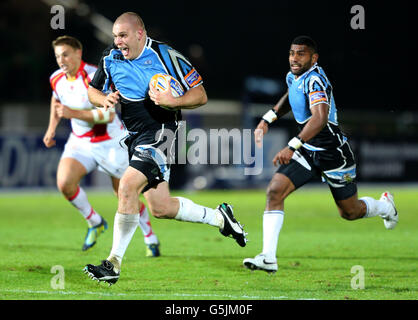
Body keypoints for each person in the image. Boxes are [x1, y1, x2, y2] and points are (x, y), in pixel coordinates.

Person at [84, 12, 247, 285]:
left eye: (123, 35)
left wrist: (174, 101)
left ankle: (113, 263)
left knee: (126, 187)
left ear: (139, 34)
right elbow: (92, 91)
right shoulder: (110, 57)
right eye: (115, 36)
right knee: (161, 208)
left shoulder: (165, 55)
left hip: (164, 134)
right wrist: (104, 99)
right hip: (135, 137)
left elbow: (201, 94)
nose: (118, 41)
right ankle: (221, 218)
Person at [243, 35, 398, 273]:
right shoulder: (294, 75)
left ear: (313, 58)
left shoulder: (316, 80)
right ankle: (268, 257)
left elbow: (320, 118)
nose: (294, 58)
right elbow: (291, 95)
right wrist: (268, 118)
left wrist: (292, 145)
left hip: (333, 153)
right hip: (308, 150)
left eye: (301, 53)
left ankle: (385, 207)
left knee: (350, 212)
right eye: (292, 53)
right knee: (275, 191)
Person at [44, 35, 161, 257]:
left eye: (66, 54)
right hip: (80, 142)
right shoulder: (56, 78)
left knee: (125, 194)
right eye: (58, 56)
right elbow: (56, 100)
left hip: (110, 143)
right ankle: (95, 222)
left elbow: (107, 115)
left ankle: (149, 235)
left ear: (78, 53)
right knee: (64, 183)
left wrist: (73, 114)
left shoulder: (94, 75)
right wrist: (51, 128)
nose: (62, 60)